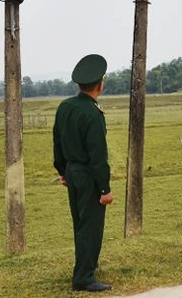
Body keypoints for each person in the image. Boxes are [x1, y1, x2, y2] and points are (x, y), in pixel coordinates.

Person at [53, 54, 114, 292]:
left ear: (79, 84)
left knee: (80, 222)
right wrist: (104, 188)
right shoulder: (92, 113)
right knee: (91, 225)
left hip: (71, 170)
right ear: (100, 84)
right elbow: (98, 156)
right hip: (88, 175)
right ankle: (84, 277)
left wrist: (62, 171)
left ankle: (87, 265)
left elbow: (56, 141)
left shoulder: (65, 106)